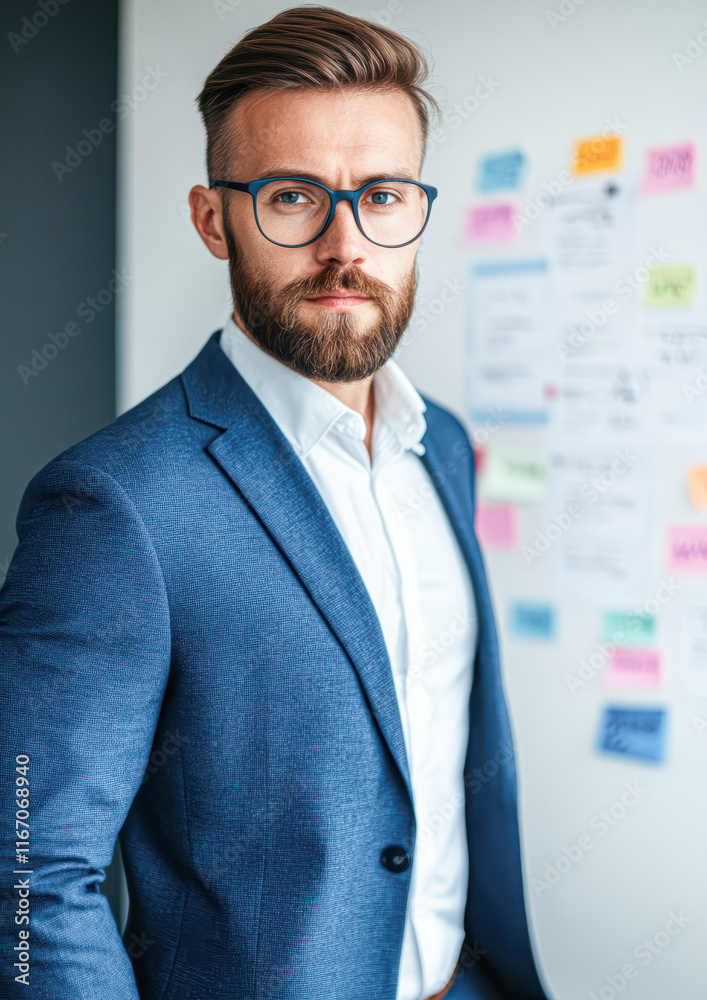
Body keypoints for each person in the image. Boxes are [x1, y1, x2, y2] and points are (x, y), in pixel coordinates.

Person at [0, 7, 548, 999]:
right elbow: (30, 874)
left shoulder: (446, 449)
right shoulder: (115, 503)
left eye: (380, 196)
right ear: (215, 219)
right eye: (291, 197)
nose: (345, 245)